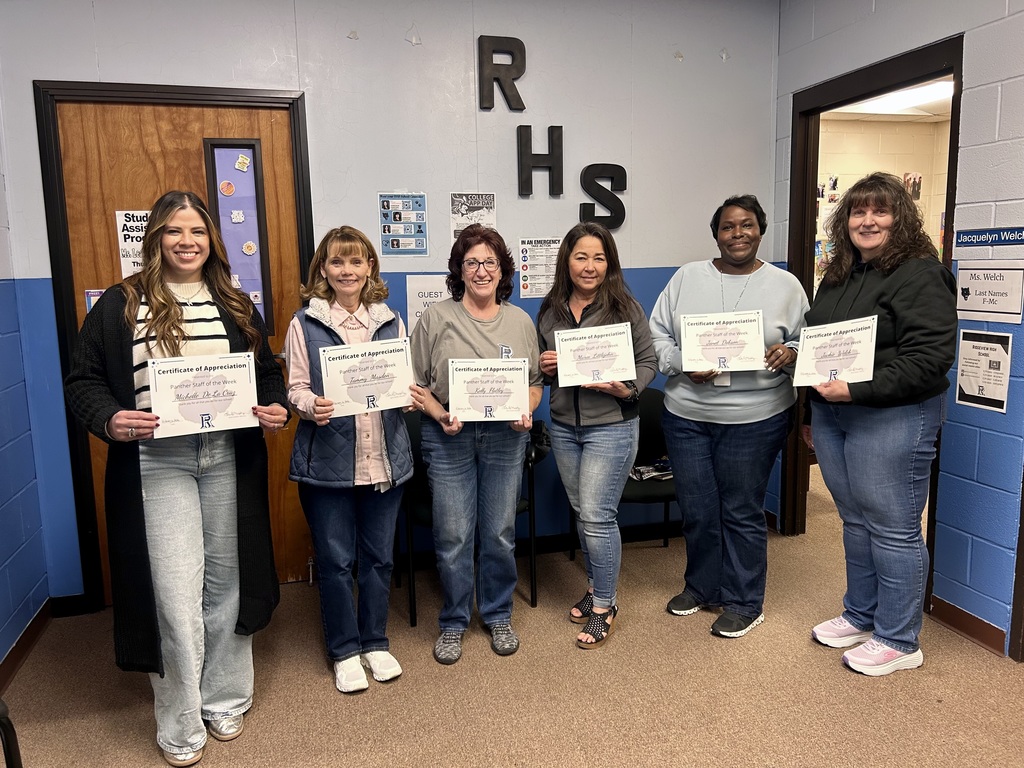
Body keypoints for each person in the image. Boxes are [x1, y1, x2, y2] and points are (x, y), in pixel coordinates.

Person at [64, 191, 289, 767]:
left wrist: (272, 406)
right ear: (155, 238)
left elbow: (265, 374)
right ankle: (181, 716)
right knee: (174, 592)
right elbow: (82, 382)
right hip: (157, 461)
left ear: (210, 238)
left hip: (227, 455)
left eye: (196, 231)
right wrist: (111, 418)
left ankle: (224, 697)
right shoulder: (121, 304)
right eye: (173, 231)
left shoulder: (236, 303)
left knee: (226, 580)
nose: (186, 242)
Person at [803, 172, 956, 676]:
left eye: (880, 211)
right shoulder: (840, 273)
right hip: (834, 415)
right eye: (857, 211)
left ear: (900, 218)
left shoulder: (919, 273)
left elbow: (930, 359)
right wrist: (810, 405)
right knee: (855, 521)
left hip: (891, 416)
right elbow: (820, 341)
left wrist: (857, 389)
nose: (867, 221)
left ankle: (898, 637)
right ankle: (861, 612)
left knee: (893, 529)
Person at [650, 194, 808, 639]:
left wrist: (790, 351)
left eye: (747, 225)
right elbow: (657, 332)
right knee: (698, 508)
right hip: (687, 414)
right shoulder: (686, 277)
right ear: (715, 233)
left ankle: (743, 601)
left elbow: (805, 339)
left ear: (760, 230)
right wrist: (681, 362)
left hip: (755, 416)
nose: (737, 234)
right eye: (727, 227)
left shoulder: (786, 285)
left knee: (740, 509)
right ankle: (702, 586)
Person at [284, 226, 413, 694]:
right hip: (329, 461)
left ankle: (375, 641)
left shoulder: (391, 320)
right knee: (337, 561)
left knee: (379, 559)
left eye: (356, 262)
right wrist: (306, 404)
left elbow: (402, 380)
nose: (347, 271)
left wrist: (410, 395)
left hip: (383, 458)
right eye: (337, 262)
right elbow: (295, 386)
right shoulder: (305, 323)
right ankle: (343, 649)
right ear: (323, 269)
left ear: (369, 269)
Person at [409, 223, 542, 665]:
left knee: (500, 533)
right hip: (449, 437)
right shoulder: (436, 318)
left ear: (502, 269)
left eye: (490, 262)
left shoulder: (521, 321)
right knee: (453, 535)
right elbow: (417, 387)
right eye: (472, 262)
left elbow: (535, 383)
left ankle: (498, 612)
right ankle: (453, 621)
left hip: (506, 438)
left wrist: (527, 411)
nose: (481, 270)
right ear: (459, 270)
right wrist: (440, 415)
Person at [537, 221, 657, 649]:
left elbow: (648, 362)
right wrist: (545, 367)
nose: (590, 266)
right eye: (581, 256)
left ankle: (605, 604)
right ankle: (593, 587)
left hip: (613, 426)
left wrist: (625, 388)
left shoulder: (626, 307)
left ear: (610, 263)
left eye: (599, 257)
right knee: (583, 512)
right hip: (566, 427)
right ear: (566, 261)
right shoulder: (550, 310)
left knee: (597, 516)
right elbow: (540, 370)